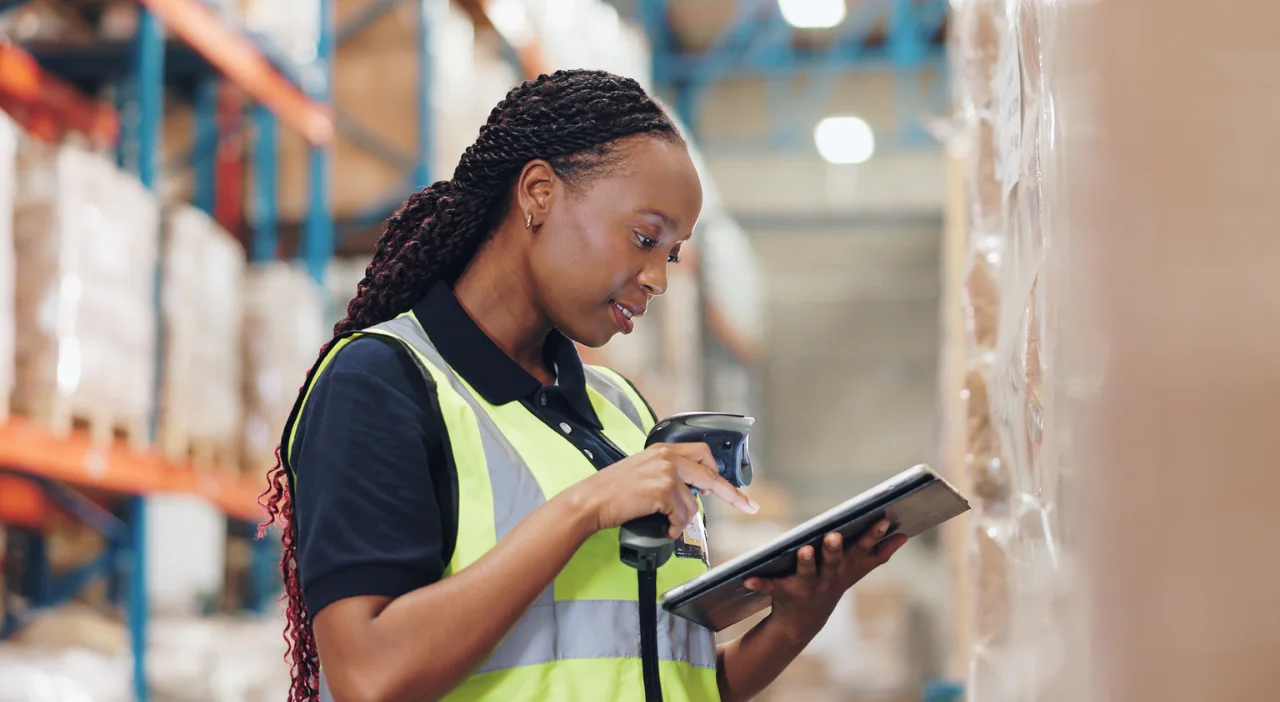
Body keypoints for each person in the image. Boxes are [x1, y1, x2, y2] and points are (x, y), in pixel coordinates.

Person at [259, 69, 908, 702]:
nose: (657, 277)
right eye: (644, 237)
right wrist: (584, 508)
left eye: (672, 254)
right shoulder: (383, 382)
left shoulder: (620, 411)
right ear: (539, 193)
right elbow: (369, 675)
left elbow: (666, 676)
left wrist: (797, 620)